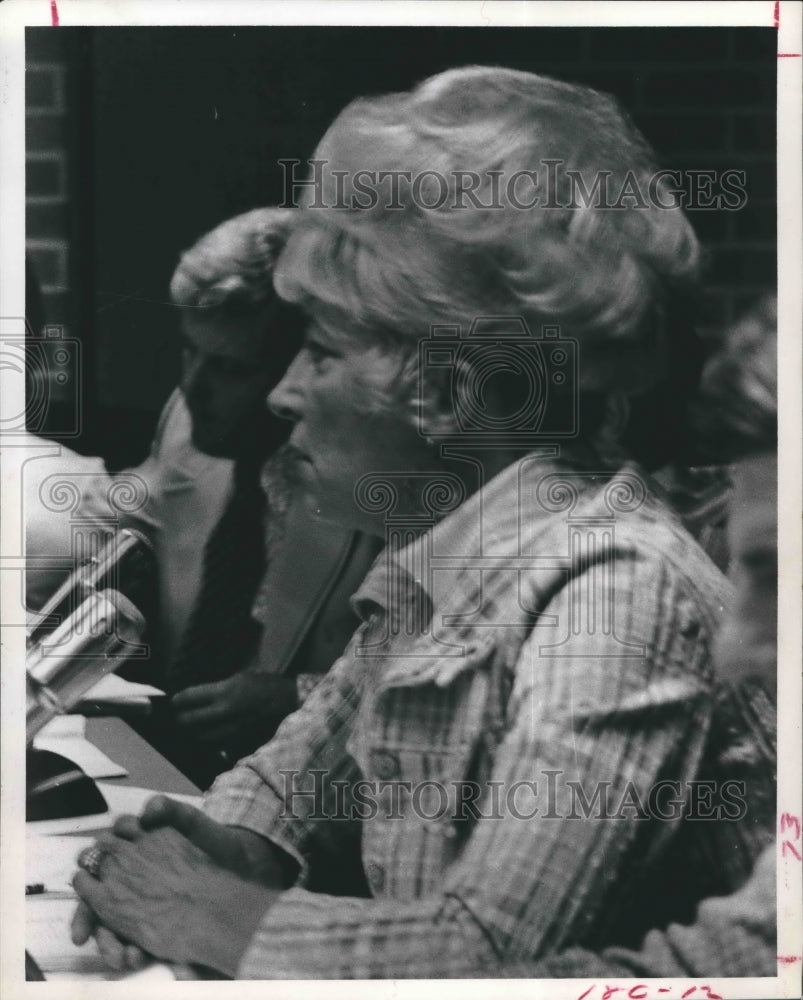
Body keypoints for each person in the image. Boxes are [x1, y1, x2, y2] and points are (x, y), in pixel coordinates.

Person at [70, 67, 771, 978]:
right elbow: (291, 781)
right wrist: (216, 849)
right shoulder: (445, 558)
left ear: (450, 389)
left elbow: (488, 954)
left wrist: (210, 912)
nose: (283, 394)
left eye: (321, 352)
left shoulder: (614, 588)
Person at [120, 208, 382, 784]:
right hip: (165, 771)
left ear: (302, 361)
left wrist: (296, 696)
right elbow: (123, 514)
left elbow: (430, 673)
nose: (193, 386)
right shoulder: (188, 423)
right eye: (191, 352)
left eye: (230, 368)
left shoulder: (379, 476)